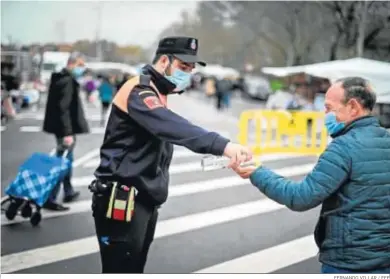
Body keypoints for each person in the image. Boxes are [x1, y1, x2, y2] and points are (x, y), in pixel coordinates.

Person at [89, 36, 252, 274]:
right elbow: (171, 126)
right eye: (183, 67)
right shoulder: (139, 89)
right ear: (164, 60)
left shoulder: (157, 91)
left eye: (191, 69)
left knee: (133, 269)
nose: (187, 74)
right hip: (122, 198)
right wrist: (223, 145)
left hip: (143, 199)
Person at [233, 77, 390, 274]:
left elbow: (300, 197)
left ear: (353, 107)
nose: (324, 115)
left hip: (348, 263)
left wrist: (256, 171)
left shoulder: (343, 148)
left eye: (329, 108)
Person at [42, 52, 90, 211]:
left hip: (61, 128)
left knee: (66, 160)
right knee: (62, 162)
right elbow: (63, 109)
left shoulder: (60, 78)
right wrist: (67, 133)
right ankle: (50, 197)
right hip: (64, 129)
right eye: (80, 65)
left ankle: (68, 191)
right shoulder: (67, 81)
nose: (82, 68)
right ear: (72, 64)